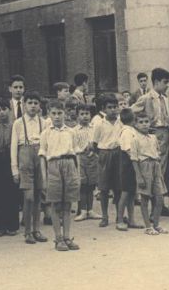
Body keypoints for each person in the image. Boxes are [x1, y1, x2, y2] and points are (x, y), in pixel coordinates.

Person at [132, 68, 169, 216]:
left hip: (168, 135)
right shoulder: (146, 98)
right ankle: (154, 210)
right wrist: (141, 130)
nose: (167, 85)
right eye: (165, 82)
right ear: (156, 81)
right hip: (155, 135)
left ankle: (161, 205)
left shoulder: (165, 99)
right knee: (156, 171)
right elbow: (129, 112)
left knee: (167, 171)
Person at [39, 99, 80, 251]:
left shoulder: (71, 132)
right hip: (53, 166)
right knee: (56, 204)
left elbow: (76, 154)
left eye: (59, 113)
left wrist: (77, 173)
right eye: (53, 113)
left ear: (64, 114)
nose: (57, 116)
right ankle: (58, 238)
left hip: (69, 165)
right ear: (48, 114)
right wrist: (44, 177)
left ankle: (67, 236)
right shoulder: (45, 133)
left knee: (68, 204)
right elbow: (42, 156)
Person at [11, 90, 47, 244]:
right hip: (24, 156)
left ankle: (36, 229)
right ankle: (27, 232)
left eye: (35, 103)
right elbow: (13, 147)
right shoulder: (18, 123)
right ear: (24, 105)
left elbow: (46, 144)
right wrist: (14, 169)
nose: (33, 106)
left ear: (39, 106)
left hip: (39, 156)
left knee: (39, 195)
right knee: (29, 196)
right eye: (30, 103)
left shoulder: (43, 122)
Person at [131, 112, 168, 235]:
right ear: (135, 124)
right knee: (145, 198)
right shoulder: (135, 139)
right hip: (144, 166)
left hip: (155, 167)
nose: (144, 124)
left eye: (146, 121)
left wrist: (158, 169)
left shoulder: (153, 137)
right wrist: (138, 176)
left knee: (159, 197)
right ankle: (148, 226)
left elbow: (157, 152)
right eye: (140, 122)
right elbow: (135, 159)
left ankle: (156, 224)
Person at [0, 98, 19, 236]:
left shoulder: (15, 126)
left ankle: (12, 225)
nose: (1, 113)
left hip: (10, 160)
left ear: (9, 110)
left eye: (3, 109)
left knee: (11, 194)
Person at [93, 93, 123, 227]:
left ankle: (119, 215)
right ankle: (105, 216)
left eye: (115, 107)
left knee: (118, 186)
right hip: (104, 154)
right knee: (104, 188)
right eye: (110, 107)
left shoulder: (121, 121)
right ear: (104, 109)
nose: (113, 110)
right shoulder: (99, 123)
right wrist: (101, 156)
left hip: (118, 154)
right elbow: (95, 143)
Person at [116, 108, 143, 231]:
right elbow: (128, 150)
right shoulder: (126, 132)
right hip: (128, 165)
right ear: (133, 119)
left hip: (132, 164)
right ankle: (120, 220)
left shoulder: (131, 130)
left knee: (132, 193)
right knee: (125, 193)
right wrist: (137, 161)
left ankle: (131, 219)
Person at [73, 103, 101, 221]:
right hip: (80, 158)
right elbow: (73, 146)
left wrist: (94, 150)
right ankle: (83, 210)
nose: (85, 116)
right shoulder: (74, 130)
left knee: (91, 185)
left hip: (93, 158)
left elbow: (97, 142)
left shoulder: (94, 128)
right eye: (82, 114)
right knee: (83, 185)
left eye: (87, 114)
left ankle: (90, 210)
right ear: (77, 116)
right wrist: (82, 150)